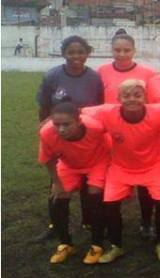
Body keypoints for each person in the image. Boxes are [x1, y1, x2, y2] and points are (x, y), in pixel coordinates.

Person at [82, 79, 160, 263]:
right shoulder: (107, 112)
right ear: (118, 98)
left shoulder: (159, 111)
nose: (132, 99)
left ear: (145, 97)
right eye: (126, 95)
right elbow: (80, 113)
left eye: (137, 95)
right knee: (109, 205)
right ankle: (116, 245)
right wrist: (51, 119)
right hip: (121, 167)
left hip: (154, 165)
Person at [35, 35, 104, 241]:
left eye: (80, 52)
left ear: (87, 53)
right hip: (59, 132)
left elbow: (99, 106)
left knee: (86, 179)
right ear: (64, 53)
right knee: (57, 180)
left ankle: (89, 220)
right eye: (71, 52)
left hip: (84, 134)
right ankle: (55, 225)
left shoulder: (94, 77)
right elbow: (44, 105)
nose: (76, 56)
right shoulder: (53, 75)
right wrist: (47, 129)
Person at [97, 29, 157, 240]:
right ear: (111, 50)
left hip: (139, 131)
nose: (122, 54)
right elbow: (98, 102)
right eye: (117, 50)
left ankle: (147, 221)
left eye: (126, 50)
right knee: (109, 178)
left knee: (144, 178)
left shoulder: (148, 73)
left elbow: (151, 102)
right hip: (112, 131)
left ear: (134, 50)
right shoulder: (102, 71)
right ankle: (107, 221)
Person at [38, 102, 109, 264]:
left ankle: (97, 244)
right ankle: (66, 244)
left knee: (95, 196)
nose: (61, 129)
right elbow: (47, 159)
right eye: (57, 124)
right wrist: (56, 183)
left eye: (66, 124)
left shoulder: (96, 127)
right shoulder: (47, 133)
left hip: (97, 163)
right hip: (69, 165)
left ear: (79, 121)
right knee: (57, 198)